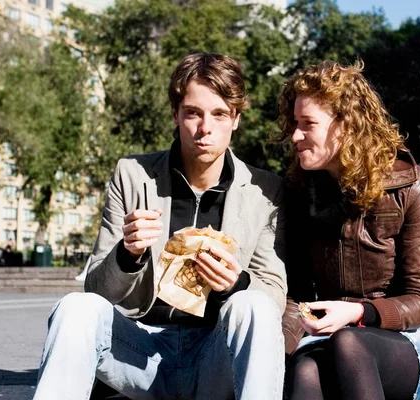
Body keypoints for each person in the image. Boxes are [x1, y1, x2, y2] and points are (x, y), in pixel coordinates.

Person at [33, 53, 287, 400]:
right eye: (193, 113)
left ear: (236, 119)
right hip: (140, 348)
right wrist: (127, 254)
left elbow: (274, 294)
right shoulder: (133, 175)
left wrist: (236, 283)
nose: (205, 128)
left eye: (219, 114)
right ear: (175, 114)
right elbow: (96, 287)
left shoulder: (265, 191)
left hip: (213, 356)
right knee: (75, 309)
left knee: (254, 305)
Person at [278, 60, 420, 400]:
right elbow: (292, 295)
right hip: (325, 337)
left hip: (405, 340)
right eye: (295, 123)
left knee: (348, 342)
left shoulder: (410, 189)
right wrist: (280, 348)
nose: (295, 135)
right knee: (305, 368)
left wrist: (358, 312)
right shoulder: (299, 192)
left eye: (308, 124)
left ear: (347, 126)